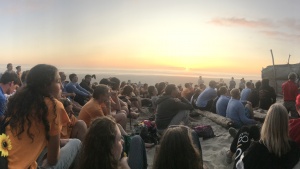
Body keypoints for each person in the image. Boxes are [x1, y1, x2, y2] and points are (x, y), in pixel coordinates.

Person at [4, 64, 81, 168]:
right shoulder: (53, 106)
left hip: (5, 161)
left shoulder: (20, 101)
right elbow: (53, 159)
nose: (62, 86)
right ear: (45, 85)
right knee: (76, 143)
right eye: (58, 81)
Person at [235, 103, 300, 169]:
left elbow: (239, 166)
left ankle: (232, 150)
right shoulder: (295, 149)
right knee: (253, 129)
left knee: (244, 131)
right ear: (286, 124)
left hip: (259, 151)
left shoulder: (256, 149)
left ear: (267, 122)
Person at [77, 116, 147, 169]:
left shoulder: (89, 161)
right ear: (109, 146)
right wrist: (124, 164)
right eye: (119, 139)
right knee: (137, 140)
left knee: (135, 139)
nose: (122, 141)